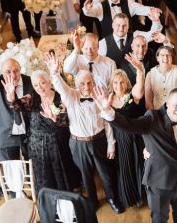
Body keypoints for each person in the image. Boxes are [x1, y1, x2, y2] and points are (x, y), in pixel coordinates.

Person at [94, 88, 177, 223]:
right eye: (176, 106)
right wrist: (109, 112)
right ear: (167, 103)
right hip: (158, 181)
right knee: (159, 218)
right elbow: (130, 125)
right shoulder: (152, 118)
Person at [45, 52, 123, 213]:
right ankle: (92, 202)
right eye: (82, 84)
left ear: (93, 82)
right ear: (76, 84)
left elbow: (108, 122)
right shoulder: (70, 96)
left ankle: (112, 199)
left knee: (106, 173)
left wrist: (111, 144)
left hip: (99, 140)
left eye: (89, 83)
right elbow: (59, 85)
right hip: (78, 143)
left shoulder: (100, 96)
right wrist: (54, 72)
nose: (86, 87)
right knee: (85, 175)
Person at [7, 70, 81, 194]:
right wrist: (11, 96)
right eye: (35, 85)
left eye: (42, 83)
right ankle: (47, 198)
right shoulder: (32, 97)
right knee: (42, 174)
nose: (39, 88)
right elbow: (18, 105)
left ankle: (67, 197)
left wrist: (53, 117)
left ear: (49, 81)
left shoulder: (60, 97)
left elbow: (65, 121)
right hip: (36, 144)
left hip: (57, 143)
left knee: (62, 170)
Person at [109, 60, 147, 208]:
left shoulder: (132, 96)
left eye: (122, 83)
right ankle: (129, 197)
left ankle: (140, 196)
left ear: (126, 83)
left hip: (135, 136)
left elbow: (140, 88)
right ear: (112, 85)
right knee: (125, 167)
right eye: (116, 83)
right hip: (120, 138)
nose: (119, 86)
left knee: (138, 164)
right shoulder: (109, 99)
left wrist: (139, 71)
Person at [83, 0, 161, 37]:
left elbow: (141, 8)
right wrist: (87, 9)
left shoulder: (128, 3)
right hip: (109, 43)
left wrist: (152, 9)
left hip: (128, 41)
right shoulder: (101, 6)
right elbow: (90, 12)